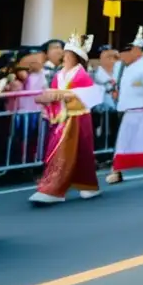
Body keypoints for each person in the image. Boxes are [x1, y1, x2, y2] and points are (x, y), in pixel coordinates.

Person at [30, 33, 103, 204]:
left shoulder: (82, 75)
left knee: (67, 151)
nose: (65, 57)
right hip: (62, 118)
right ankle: (86, 185)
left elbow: (88, 95)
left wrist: (62, 94)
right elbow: (55, 94)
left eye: (69, 55)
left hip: (77, 118)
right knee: (71, 151)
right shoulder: (58, 75)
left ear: (77, 58)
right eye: (65, 54)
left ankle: (53, 189)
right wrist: (49, 99)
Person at [108, 26, 143, 183]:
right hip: (127, 108)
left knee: (133, 141)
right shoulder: (126, 67)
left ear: (136, 50)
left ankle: (117, 170)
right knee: (128, 141)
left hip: (140, 109)